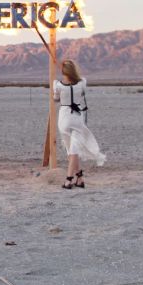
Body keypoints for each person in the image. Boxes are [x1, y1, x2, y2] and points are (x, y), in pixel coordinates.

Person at [53, 59, 106, 189]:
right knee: (74, 149)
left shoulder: (57, 85)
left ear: (63, 71)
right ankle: (78, 178)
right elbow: (82, 94)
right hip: (77, 116)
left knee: (71, 150)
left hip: (65, 116)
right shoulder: (82, 82)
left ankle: (70, 179)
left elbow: (55, 99)